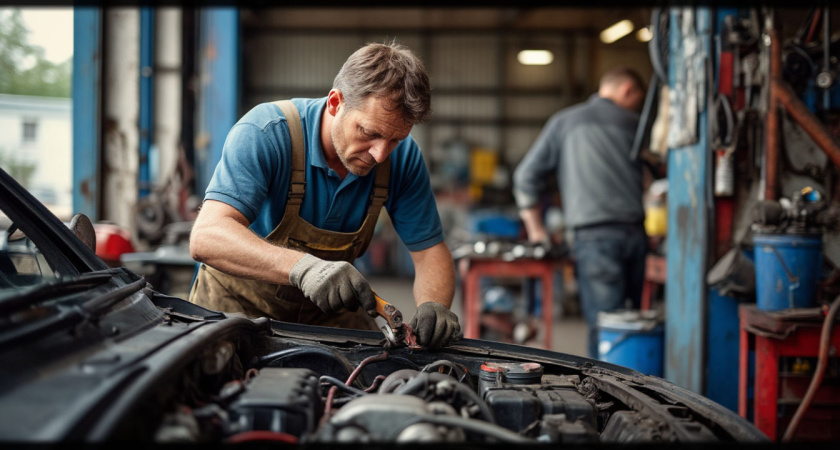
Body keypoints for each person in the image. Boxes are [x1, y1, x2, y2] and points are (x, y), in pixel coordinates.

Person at [188, 42, 461, 349]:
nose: (381, 154)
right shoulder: (266, 133)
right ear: (335, 102)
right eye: (369, 132)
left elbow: (429, 252)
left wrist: (435, 306)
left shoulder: (403, 159)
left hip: (327, 317)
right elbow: (207, 236)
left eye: (395, 139)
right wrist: (304, 267)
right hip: (235, 311)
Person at [512, 66, 647, 359]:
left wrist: (536, 231)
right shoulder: (638, 125)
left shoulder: (565, 121)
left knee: (604, 328)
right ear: (627, 90)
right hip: (638, 234)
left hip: (594, 238)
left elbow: (525, 176)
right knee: (636, 324)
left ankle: (604, 395)